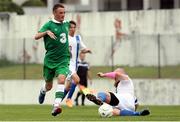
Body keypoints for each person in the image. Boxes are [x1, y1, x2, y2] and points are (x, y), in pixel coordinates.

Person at [34, 3, 70, 116]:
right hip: (50, 60)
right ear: (54, 13)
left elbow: (71, 32)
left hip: (63, 60)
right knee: (49, 86)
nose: (63, 15)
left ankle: (56, 106)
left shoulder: (66, 24)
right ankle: (43, 91)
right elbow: (36, 36)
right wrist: (46, 32)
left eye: (64, 13)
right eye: (60, 13)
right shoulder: (48, 25)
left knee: (61, 80)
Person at [63, 20, 91, 107]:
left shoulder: (78, 38)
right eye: (71, 27)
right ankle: (69, 99)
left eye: (74, 27)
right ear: (68, 28)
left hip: (74, 66)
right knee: (77, 80)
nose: (73, 29)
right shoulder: (65, 38)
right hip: (66, 64)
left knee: (67, 87)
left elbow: (82, 49)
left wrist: (87, 50)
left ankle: (56, 102)